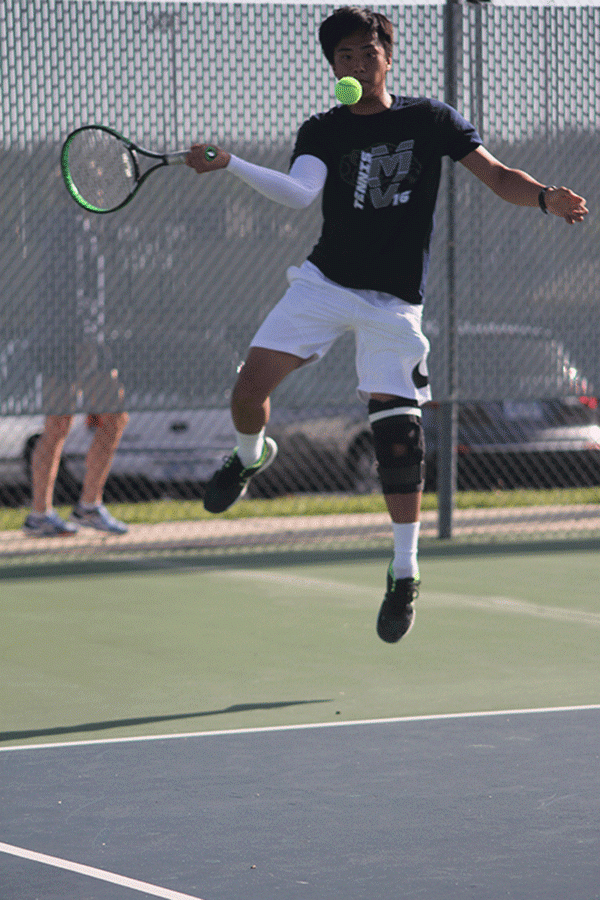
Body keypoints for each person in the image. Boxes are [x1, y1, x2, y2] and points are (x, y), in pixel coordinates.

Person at [185, 6, 588, 643]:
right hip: (323, 285)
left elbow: (496, 175)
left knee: (397, 437)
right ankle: (250, 454)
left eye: (366, 52)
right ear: (332, 67)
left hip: (393, 305)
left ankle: (404, 572)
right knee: (247, 391)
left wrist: (544, 197)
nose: (357, 64)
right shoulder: (322, 129)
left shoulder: (430, 119)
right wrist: (230, 161)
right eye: (344, 57)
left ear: (387, 56)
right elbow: (298, 193)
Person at [23, 361, 129, 537]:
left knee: (114, 417)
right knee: (57, 425)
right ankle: (41, 515)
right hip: (60, 347)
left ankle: (89, 506)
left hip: (87, 344)